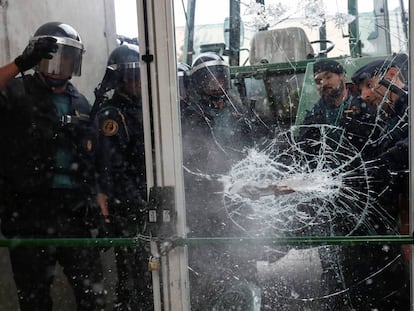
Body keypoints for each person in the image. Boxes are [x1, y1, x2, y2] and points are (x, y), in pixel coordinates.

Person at [0, 22, 105, 310]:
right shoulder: (16, 92)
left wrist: (101, 209)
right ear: (38, 59)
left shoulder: (81, 104)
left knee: (93, 295)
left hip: (73, 214)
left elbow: (92, 164)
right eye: (51, 58)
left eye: (67, 59)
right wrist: (20, 64)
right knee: (34, 300)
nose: (59, 67)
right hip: (28, 213)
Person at [180, 52, 258, 310]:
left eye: (220, 78)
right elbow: (188, 158)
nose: (216, 85)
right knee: (208, 263)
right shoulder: (189, 117)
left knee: (243, 257)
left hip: (238, 197)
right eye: (208, 80)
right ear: (197, 84)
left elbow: (251, 150)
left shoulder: (239, 112)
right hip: (205, 200)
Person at [343, 57, 409, 310]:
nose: (366, 95)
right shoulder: (390, 117)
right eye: (361, 91)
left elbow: (400, 155)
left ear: (391, 75)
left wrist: (348, 180)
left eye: (370, 85)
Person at [93, 43, 152, 311]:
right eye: (131, 76)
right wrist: (139, 204)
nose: (137, 82)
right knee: (133, 273)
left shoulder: (147, 109)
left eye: (140, 74)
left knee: (150, 273)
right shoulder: (112, 114)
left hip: (146, 202)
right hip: (129, 208)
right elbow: (113, 169)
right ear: (119, 79)